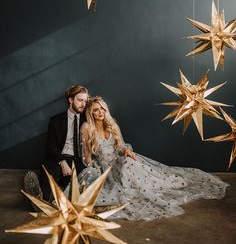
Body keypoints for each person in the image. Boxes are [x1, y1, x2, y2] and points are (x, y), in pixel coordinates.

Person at [78, 96, 229, 221]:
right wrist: (93, 170)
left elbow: (121, 146)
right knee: (124, 174)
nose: (100, 112)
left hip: (119, 161)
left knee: (131, 162)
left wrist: (126, 151)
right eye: (95, 110)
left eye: (102, 108)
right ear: (90, 113)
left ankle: (159, 183)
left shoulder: (112, 124)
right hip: (105, 168)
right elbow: (86, 155)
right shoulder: (87, 127)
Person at [24, 85, 89, 202]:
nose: (83, 104)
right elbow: (50, 147)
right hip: (58, 158)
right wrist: (62, 163)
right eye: (80, 100)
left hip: (78, 160)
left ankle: (61, 201)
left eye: (85, 101)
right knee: (50, 171)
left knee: (87, 175)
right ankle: (42, 200)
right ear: (70, 100)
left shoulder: (87, 120)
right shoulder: (56, 120)